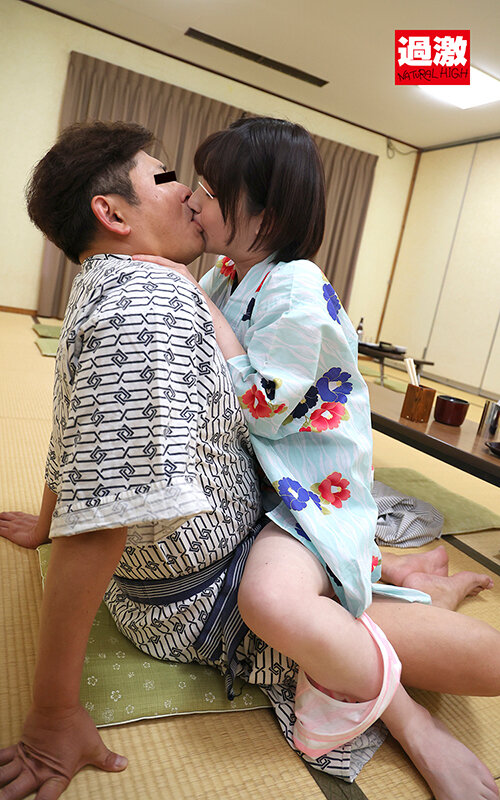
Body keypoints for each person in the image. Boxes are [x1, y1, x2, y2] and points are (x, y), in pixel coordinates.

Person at [0, 119, 498, 800]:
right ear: (112, 214)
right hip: (236, 558)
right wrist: (54, 706)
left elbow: (245, 408)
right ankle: (404, 612)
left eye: (203, 187)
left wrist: (48, 525)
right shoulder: (160, 298)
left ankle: (399, 605)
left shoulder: (190, 285)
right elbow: (95, 473)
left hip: (291, 501)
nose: (188, 195)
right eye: (169, 178)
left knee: (322, 608)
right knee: (332, 617)